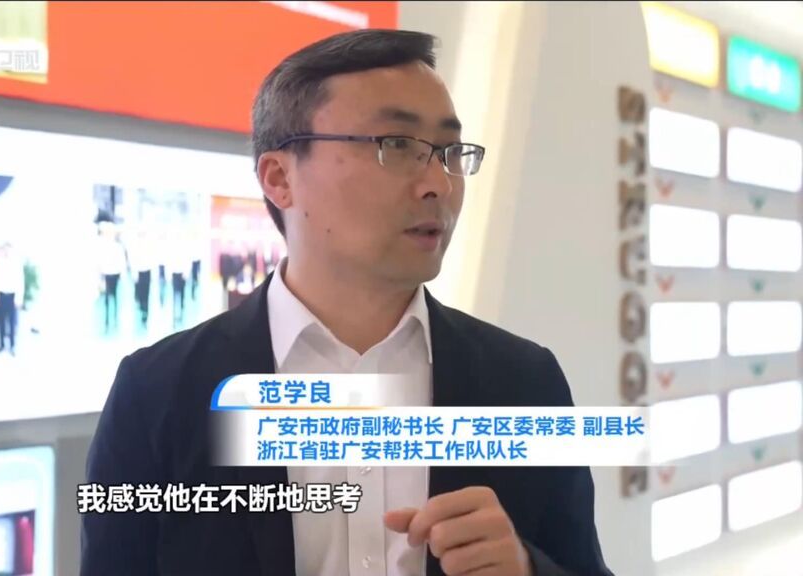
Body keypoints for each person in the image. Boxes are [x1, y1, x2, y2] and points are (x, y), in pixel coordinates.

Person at [82, 30, 612, 576]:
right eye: (396, 145)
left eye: (450, 153)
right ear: (279, 178)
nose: (439, 184)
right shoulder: (159, 392)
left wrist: (526, 568)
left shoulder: (523, 383)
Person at [0, 242, 25, 355]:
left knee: (12, 323)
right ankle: (1, 344)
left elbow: (20, 282)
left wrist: (19, 298)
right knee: (1, 322)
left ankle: (12, 345)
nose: (7, 252)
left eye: (9, 249)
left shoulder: (17, 263)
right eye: (5, 249)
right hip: (1, 296)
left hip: (12, 297)